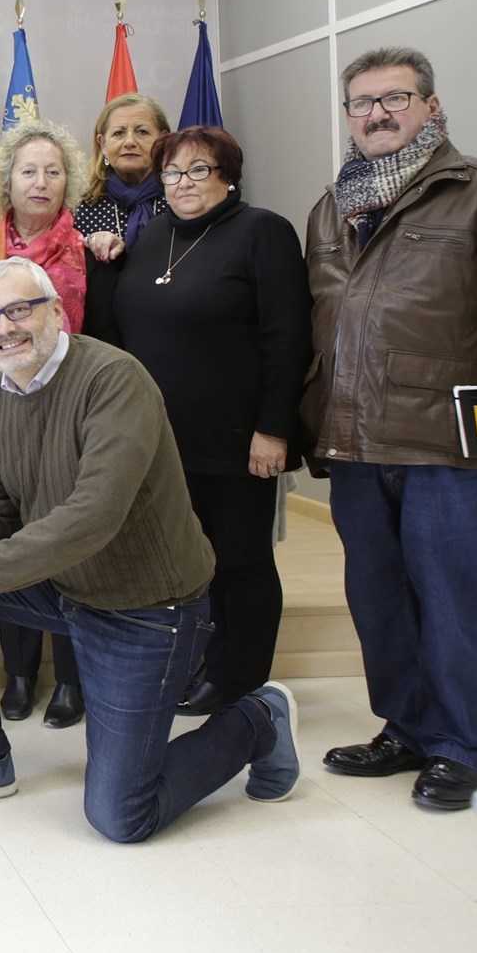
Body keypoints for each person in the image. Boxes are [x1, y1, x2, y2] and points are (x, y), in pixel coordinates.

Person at [0, 258, 300, 841]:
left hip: (146, 608)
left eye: (19, 309)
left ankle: (258, 719)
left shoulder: (114, 379)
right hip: (67, 589)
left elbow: (94, 517)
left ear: (56, 311)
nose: (4, 327)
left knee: (121, 817)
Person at [302, 47, 477, 811]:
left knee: (454, 596)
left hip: (450, 447)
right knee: (379, 597)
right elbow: (321, 328)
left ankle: (461, 744)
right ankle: (408, 726)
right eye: (361, 102)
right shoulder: (330, 208)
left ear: (432, 106)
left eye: (395, 97)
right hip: (357, 445)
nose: (377, 113)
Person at [106, 126, 310, 714]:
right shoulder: (152, 236)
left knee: (239, 560)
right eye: (172, 172)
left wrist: (274, 429)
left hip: (238, 439)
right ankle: (193, 665)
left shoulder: (262, 233)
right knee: (181, 562)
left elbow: (287, 337)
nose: (183, 183)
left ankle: (240, 680)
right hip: (163, 441)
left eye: (199, 170)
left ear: (228, 176)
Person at [0, 118, 94, 728]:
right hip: (0, 401)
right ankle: (19, 674)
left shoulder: (94, 247)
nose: (41, 182)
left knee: (69, 537)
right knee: (10, 534)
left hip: (73, 407)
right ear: (6, 181)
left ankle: (71, 678)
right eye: (28, 171)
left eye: (53, 171)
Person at [72, 92, 172, 262]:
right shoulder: (79, 207)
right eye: (119, 133)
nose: (129, 142)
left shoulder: (180, 197)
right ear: (103, 144)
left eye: (142, 132)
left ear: (162, 140)